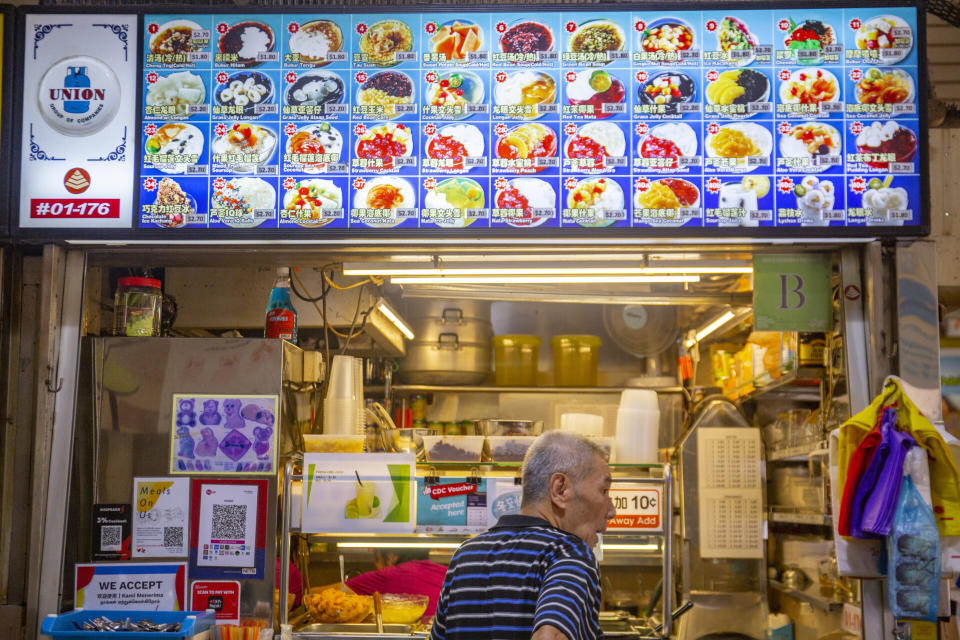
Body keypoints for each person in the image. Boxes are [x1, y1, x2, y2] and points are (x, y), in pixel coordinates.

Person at [430, 431, 615, 640]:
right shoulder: (569, 553)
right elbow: (549, 637)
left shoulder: (465, 556)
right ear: (560, 489)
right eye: (604, 490)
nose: (611, 511)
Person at [346, 548, 447, 617]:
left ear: (391, 556)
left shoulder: (388, 575)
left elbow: (336, 593)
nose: (376, 566)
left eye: (377, 559)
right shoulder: (447, 571)